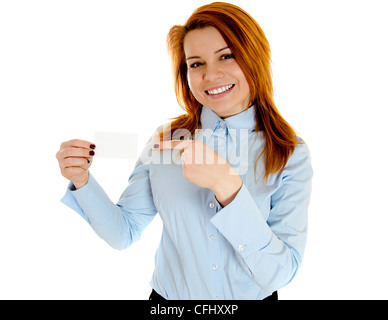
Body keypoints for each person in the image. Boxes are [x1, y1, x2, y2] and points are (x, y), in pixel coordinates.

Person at [56, 2, 313, 300]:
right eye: (196, 63)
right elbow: (123, 233)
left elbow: (280, 273)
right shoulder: (166, 142)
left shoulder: (290, 153)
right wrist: (82, 181)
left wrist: (227, 187)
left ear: (254, 58)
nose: (211, 74)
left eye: (226, 56)